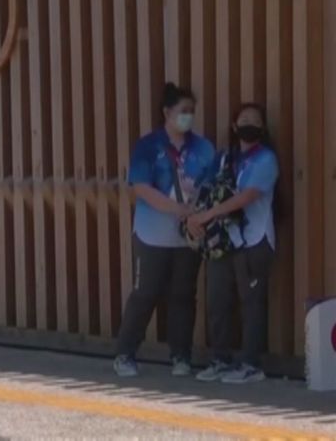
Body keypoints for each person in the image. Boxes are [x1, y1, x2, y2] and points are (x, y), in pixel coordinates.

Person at [114, 83, 216, 378]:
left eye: (192, 111)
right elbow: (141, 187)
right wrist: (177, 209)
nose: (188, 116)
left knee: (183, 295)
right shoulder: (148, 146)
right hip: (152, 234)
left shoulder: (204, 148)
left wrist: (198, 214)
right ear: (166, 112)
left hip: (188, 238)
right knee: (145, 293)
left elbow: (211, 187)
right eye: (183, 111)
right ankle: (125, 354)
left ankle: (181, 356)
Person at [190, 103, 279, 384]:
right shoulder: (224, 158)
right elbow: (203, 187)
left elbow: (247, 196)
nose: (249, 124)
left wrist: (210, 214)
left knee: (251, 303)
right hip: (222, 240)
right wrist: (193, 216)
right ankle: (221, 359)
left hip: (254, 239)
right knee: (217, 300)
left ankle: (251, 364)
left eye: (255, 120)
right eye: (244, 119)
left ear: (262, 128)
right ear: (234, 126)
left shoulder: (266, 159)